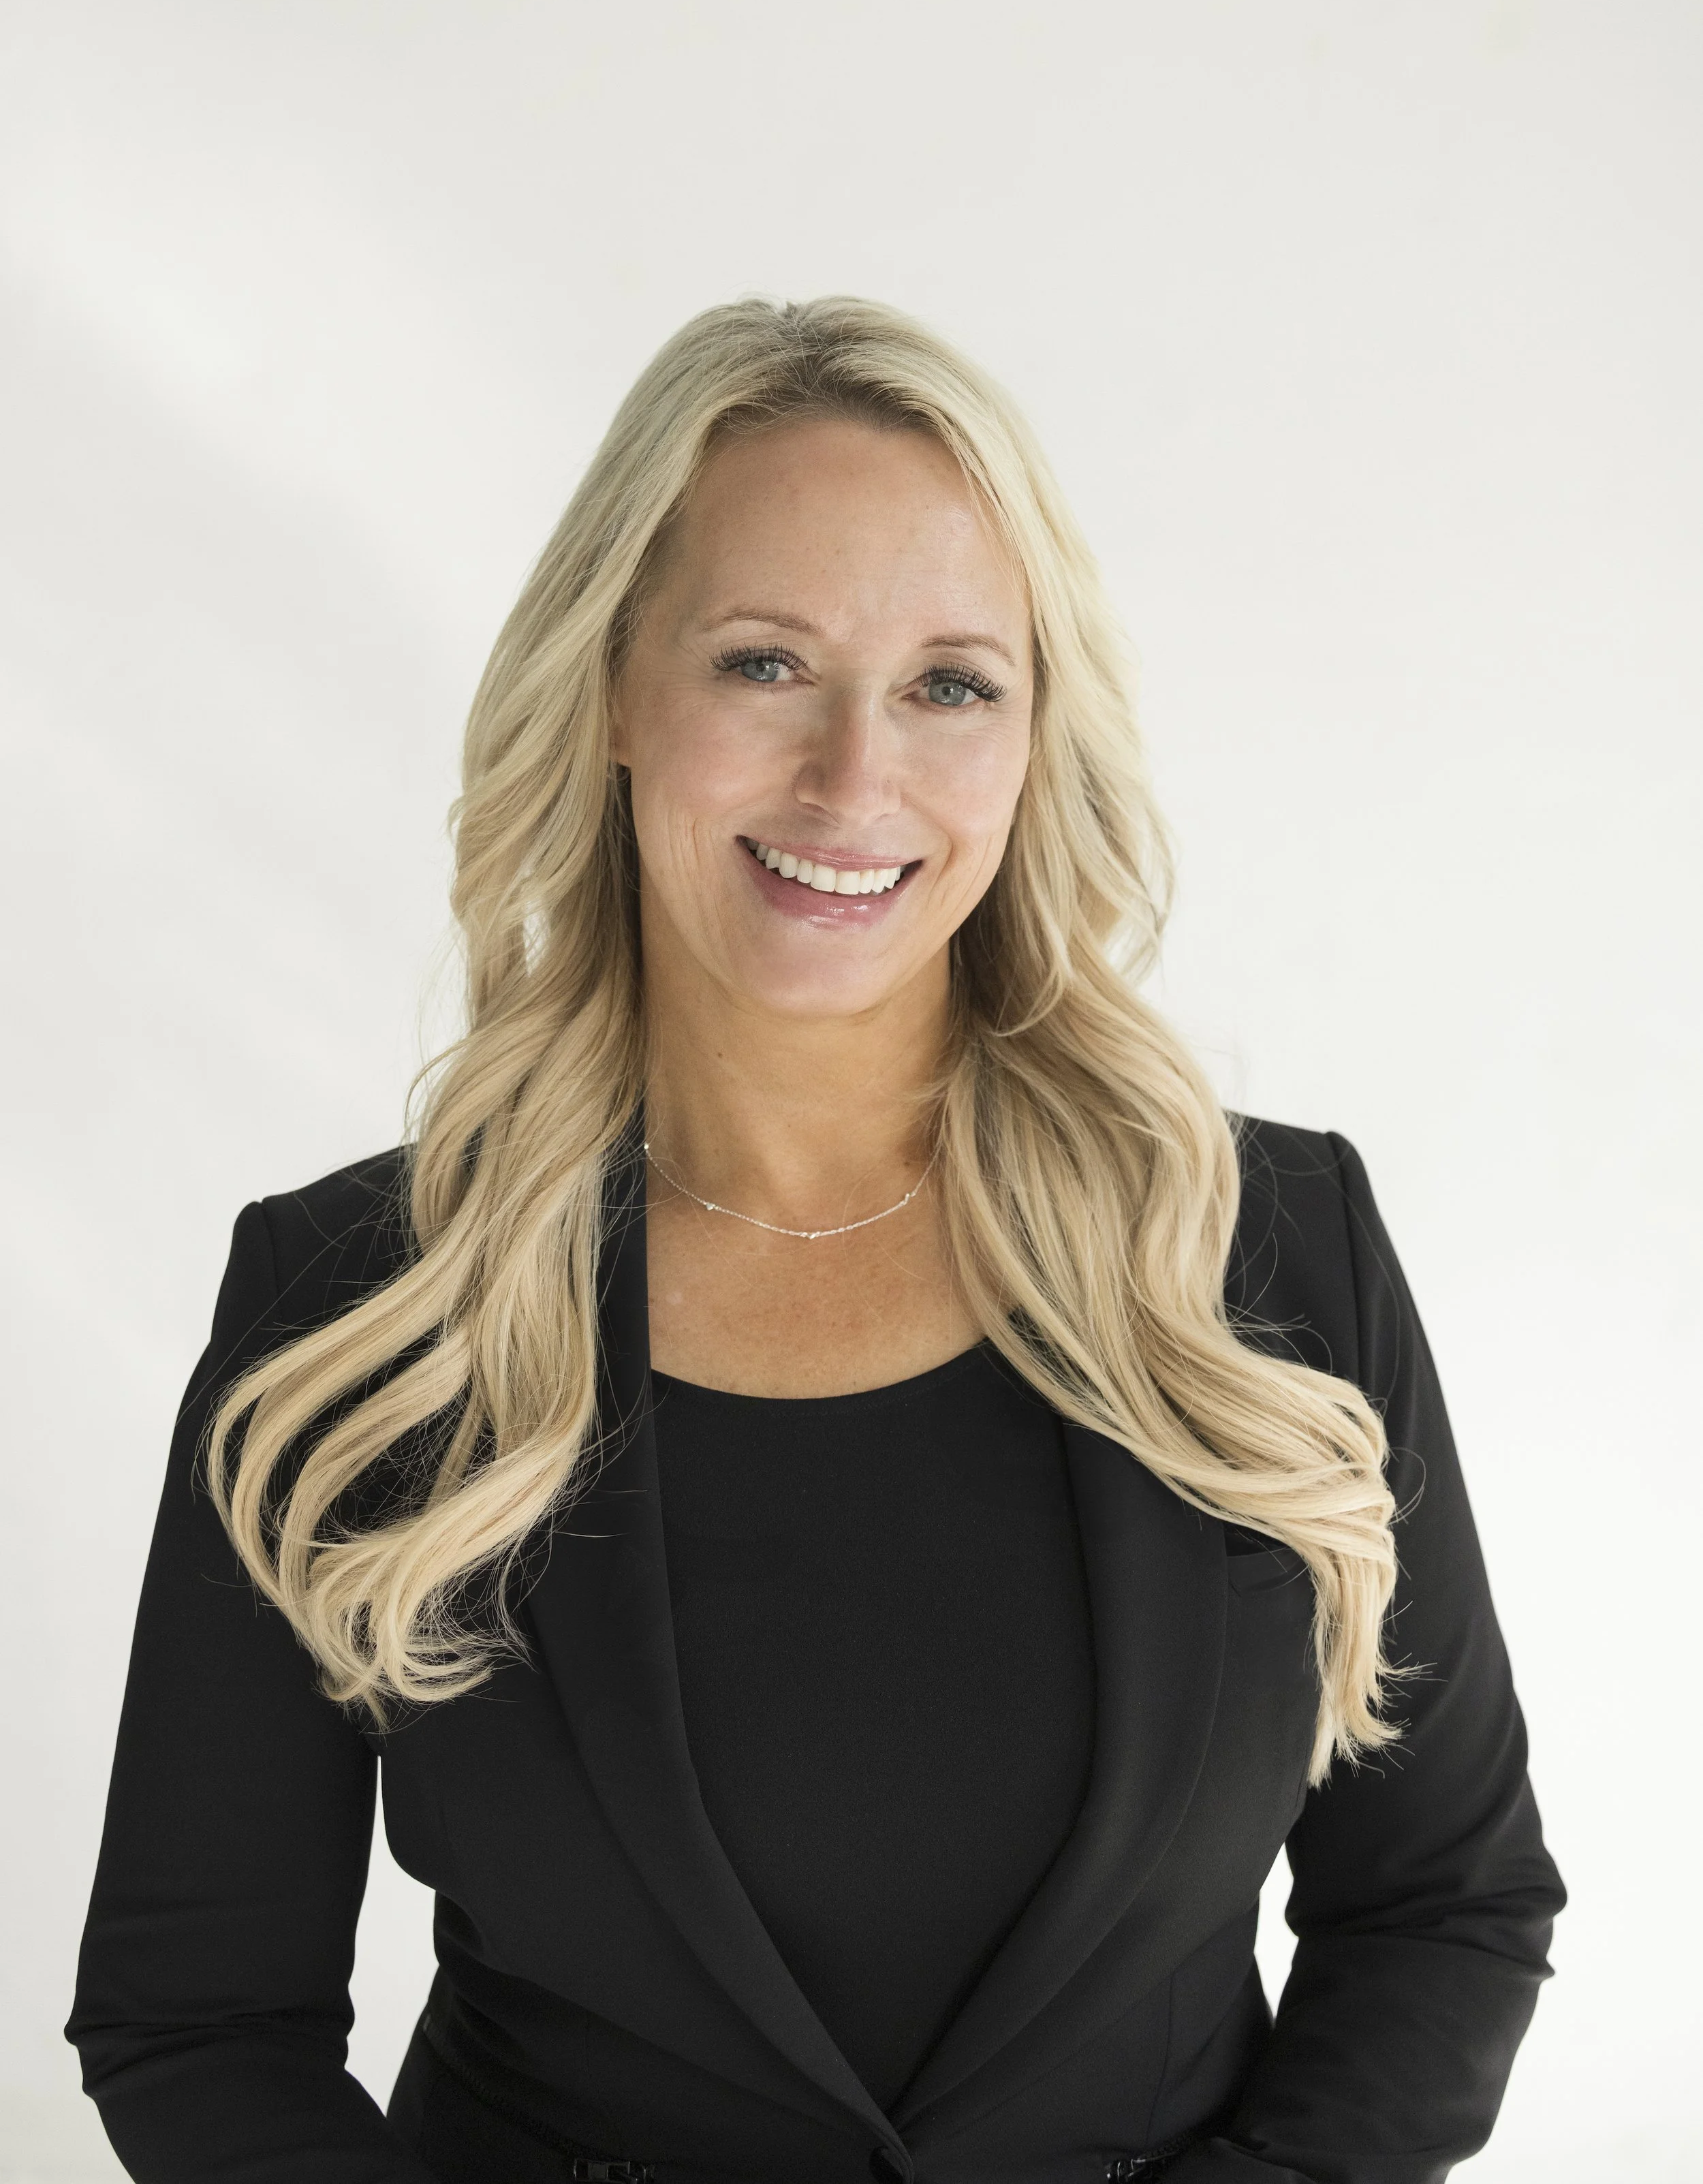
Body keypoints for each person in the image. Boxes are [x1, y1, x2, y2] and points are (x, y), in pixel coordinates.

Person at [68, 296, 1563, 2184]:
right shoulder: (355, 1308)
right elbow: (201, 2022)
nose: (854, 780)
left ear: (1036, 738)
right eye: (765, 661)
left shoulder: (1267, 1251)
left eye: (952, 682)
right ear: (613, 689)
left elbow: (1442, 1903)